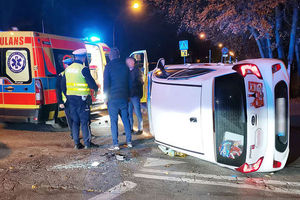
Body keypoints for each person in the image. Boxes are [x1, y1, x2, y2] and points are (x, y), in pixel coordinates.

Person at [63, 48, 99, 149]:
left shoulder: (67, 69)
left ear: (75, 57)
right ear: (83, 57)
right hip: (82, 99)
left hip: (71, 99)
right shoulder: (83, 69)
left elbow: (64, 86)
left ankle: (77, 144)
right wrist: (96, 89)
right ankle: (87, 143)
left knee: (75, 121)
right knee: (84, 121)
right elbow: (92, 84)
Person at [104, 48, 132, 150]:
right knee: (126, 120)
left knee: (114, 121)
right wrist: (128, 96)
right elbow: (129, 83)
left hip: (112, 99)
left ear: (110, 56)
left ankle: (116, 144)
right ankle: (129, 142)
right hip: (124, 98)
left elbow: (106, 84)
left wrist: (106, 98)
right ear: (119, 56)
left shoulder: (108, 67)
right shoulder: (125, 66)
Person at [126, 57, 144, 135]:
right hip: (128, 96)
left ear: (133, 62)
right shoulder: (126, 71)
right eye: (127, 61)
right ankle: (130, 128)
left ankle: (140, 128)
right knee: (129, 113)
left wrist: (133, 86)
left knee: (137, 112)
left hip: (135, 95)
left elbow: (140, 82)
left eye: (130, 61)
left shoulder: (137, 71)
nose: (128, 63)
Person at [57, 57, 73, 138]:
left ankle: (74, 134)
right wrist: (60, 102)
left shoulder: (63, 74)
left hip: (70, 100)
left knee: (71, 119)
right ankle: (74, 134)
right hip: (68, 101)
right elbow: (58, 89)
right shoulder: (61, 75)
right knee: (71, 119)